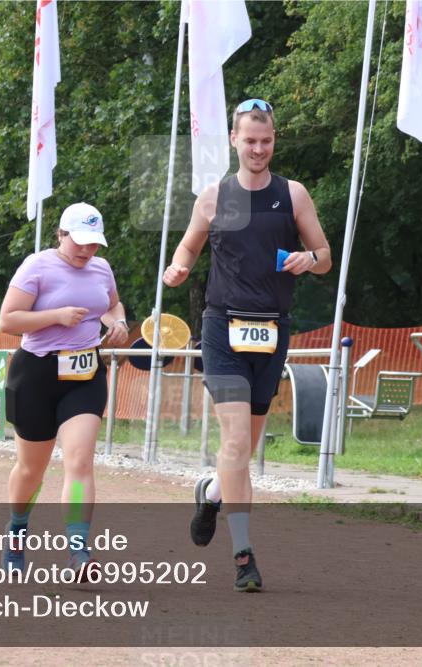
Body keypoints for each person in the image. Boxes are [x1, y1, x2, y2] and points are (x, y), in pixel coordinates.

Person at [163, 99, 332, 592]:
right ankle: (243, 556)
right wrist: (179, 268)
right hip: (222, 330)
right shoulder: (216, 196)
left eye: (267, 141)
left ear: (274, 141)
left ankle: (212, 492)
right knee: (236, 442)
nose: (258, 149)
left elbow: (324, 255)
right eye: (250, 140)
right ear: (234, 141)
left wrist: (307, 260)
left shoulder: (292, 195)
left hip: (271, 331)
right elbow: (190, 245)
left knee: (244, 451)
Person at [0, 202, 129, 579]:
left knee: (80, 461)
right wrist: (55, 316)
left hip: (85, 375)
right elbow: (8, 319)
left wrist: (118, 323)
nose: (87, 251)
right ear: (61, 234)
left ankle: (79, 553)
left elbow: (112, 305)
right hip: (36, 374)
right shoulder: (37, 266)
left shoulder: (101, 269)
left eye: (94, 245)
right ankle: (17, 530)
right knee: (30, 470)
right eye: (80, 243)